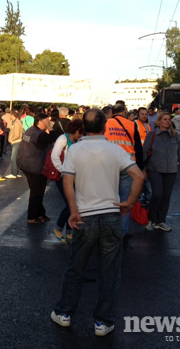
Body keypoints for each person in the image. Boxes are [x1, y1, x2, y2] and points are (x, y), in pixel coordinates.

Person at [50, 109, 144, 334]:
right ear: (104, 127)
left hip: (85, 216)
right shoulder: (115, 150)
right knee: (109, 270)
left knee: (76, 267)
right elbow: (138, 176)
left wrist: (73, 211)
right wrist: (129, 203)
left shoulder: (76, 150)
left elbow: (67, 182)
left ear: (84, 126)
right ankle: (103, 321)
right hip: (111, 216)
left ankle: (64, 313)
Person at [142, 112, 180, 231]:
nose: (167, 121)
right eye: (165, 119)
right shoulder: (152, 135)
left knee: (166, 197)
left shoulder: (175, 135)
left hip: (171, 170)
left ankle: (160, 221)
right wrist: (142, 170)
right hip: (155, 169)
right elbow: (144, 152)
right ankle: (151, 218)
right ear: (159, 121)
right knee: (157, 194)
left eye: (169, 119)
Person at [104, 103, 144, 238]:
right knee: (125, 199)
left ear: (111, 112)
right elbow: (138, 148)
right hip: (128, 165)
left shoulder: (105, 123)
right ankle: (123, 231)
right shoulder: (131, 124)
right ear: (124, 111)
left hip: (109, 164)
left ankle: (108, 230)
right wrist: (140, 167)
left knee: (108, 198)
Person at [18, 112, 60, 224]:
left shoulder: (30, 131)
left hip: (27, 165)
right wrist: (49, 127)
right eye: (47, 121)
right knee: (37, 193)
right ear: (40, 121)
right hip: (36, 166)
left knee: (36, 191)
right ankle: (31, 217)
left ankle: (40, 213)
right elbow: (53, 137)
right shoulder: (39, 134)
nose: (49, 123)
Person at [51, 119, 85, 242]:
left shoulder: (79, 141)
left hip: (75, 177)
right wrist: (64, 171)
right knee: (71, 204)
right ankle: (59, 229)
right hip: (63, 177)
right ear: (74, 130)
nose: (81, 135)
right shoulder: (63, 139)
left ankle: (69, 231)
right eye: (79, 132)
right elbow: (54, 156)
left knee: (73, 204)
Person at [5, 109, 24, 179]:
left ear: (12, 115)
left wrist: (11, 139)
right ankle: (19, 172)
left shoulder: (16, 123)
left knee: (14, 157)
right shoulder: (17, 122)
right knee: (17, 157)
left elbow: (17, 134)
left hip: (16, 142)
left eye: (10, 114)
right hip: (17, 141)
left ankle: (14, 173)